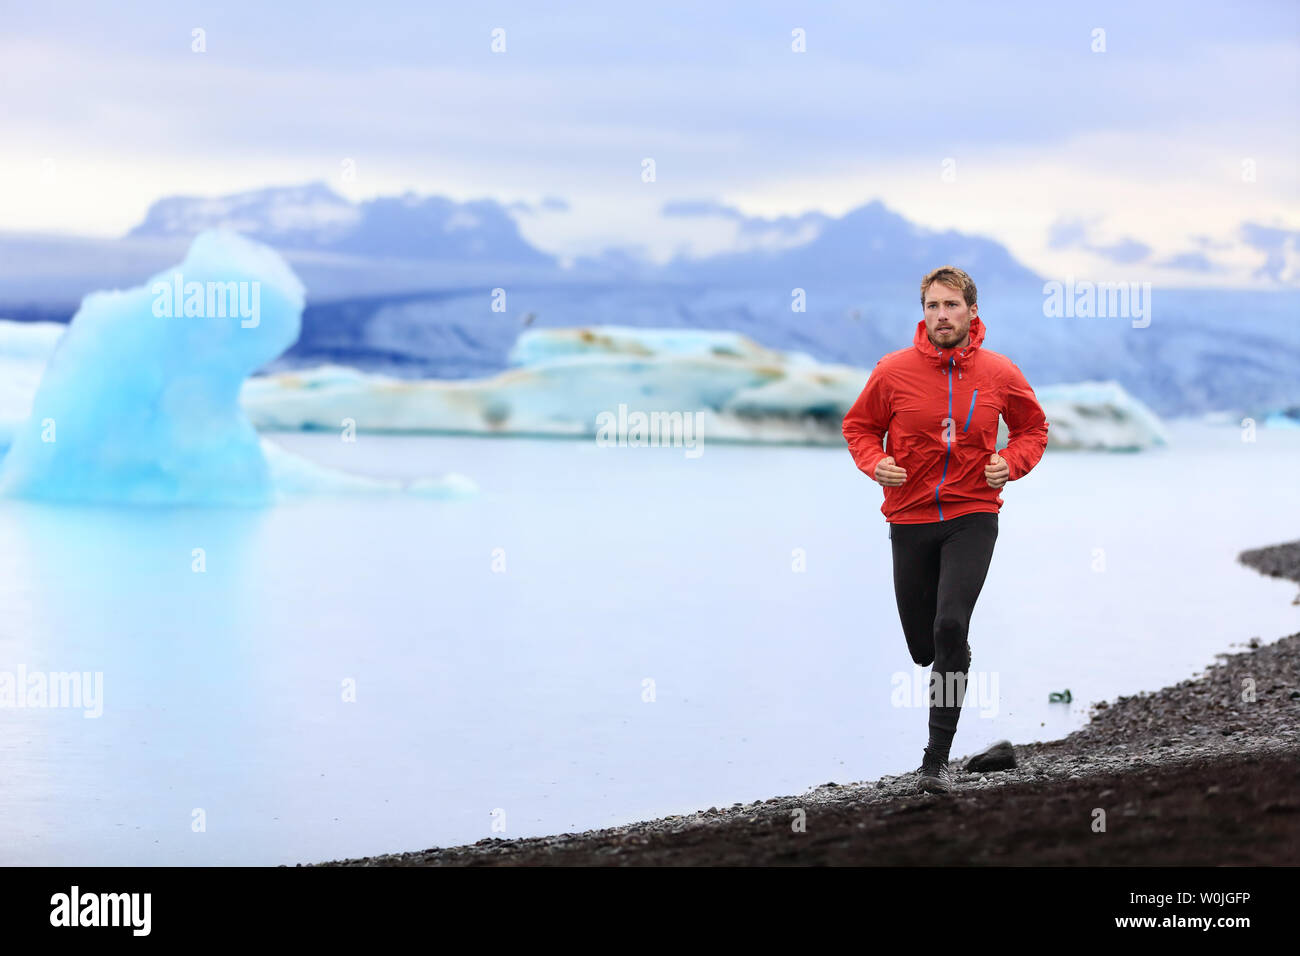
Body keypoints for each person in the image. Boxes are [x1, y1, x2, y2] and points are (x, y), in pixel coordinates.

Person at [841, 266, 1049, 794]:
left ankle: (935, 762)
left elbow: (1033, 428)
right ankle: (948, 660)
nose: (941, 315)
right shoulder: (893, 371)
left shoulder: (999, 372)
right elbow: (859, 427)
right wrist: (874, 462)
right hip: (909, 518)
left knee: (950, 626)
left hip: (972, 514)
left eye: (951, 306)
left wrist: (1011, 461)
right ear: (923, 312)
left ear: (972, 312)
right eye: (933, 306)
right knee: (922, 646)